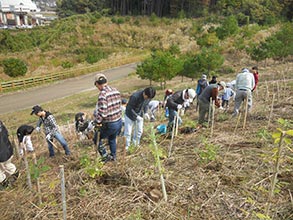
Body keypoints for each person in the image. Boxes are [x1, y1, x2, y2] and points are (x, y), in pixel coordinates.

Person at [93, 73, 122, 162]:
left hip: (110, 123)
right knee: (112, 139)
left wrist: (97, 122)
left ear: (97, 84)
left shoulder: (103, 95)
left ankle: (105, 157)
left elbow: (103, 113)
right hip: (119, 121)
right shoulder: (115, 90)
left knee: (96, 138)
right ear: (106, 82)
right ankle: (114, 157)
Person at [0, 120, 19, 190]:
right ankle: (15, 173)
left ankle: (4, 184)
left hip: (2, 154)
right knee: (7, 164)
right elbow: (7, 134)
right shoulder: (1, 124)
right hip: (8, 149)